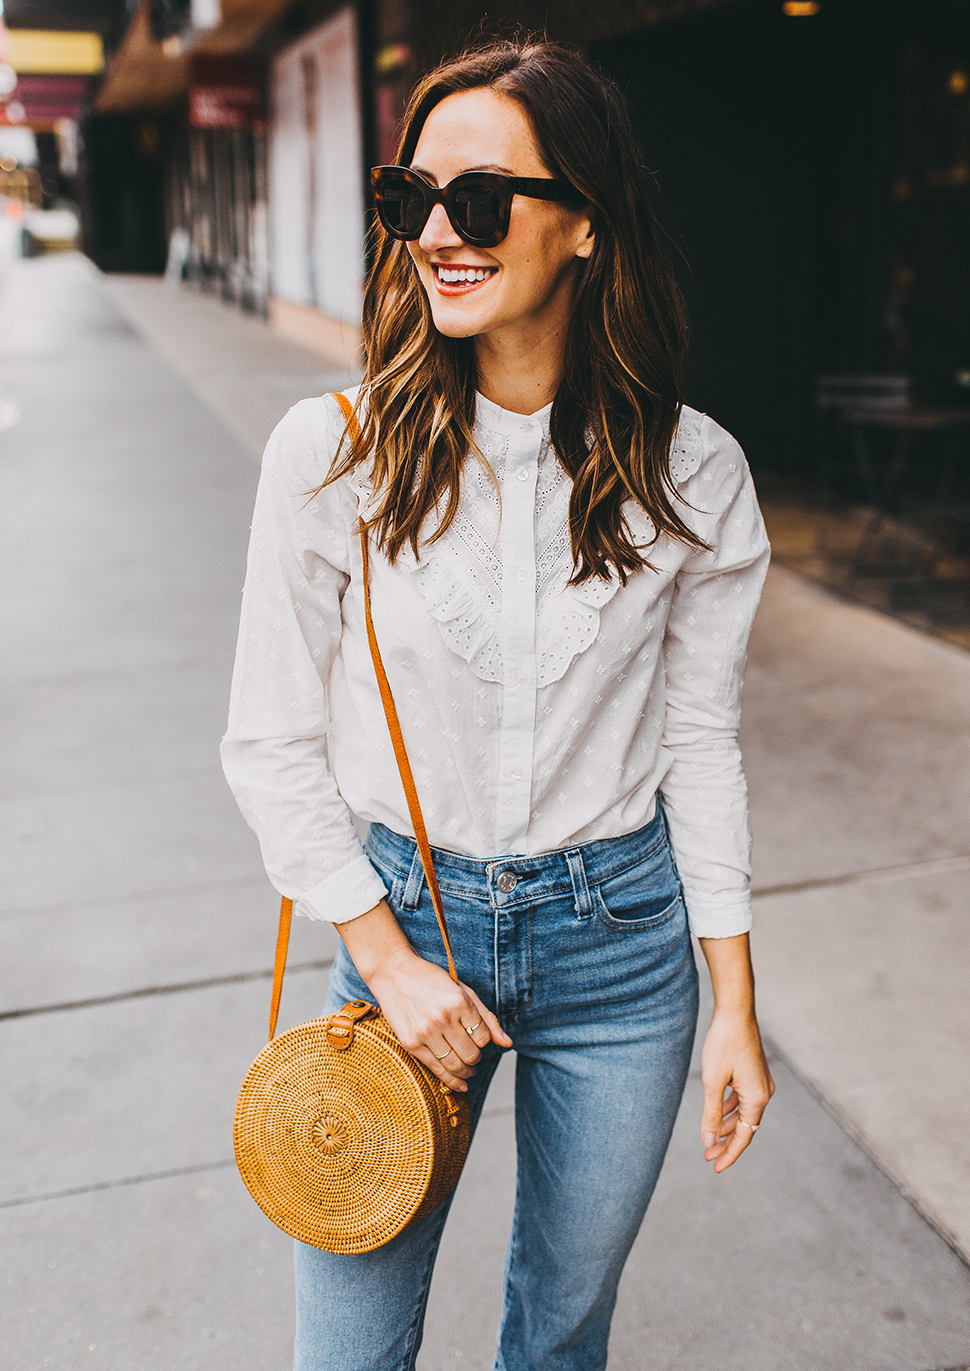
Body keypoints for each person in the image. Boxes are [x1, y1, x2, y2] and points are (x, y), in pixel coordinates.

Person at [222, 37, 774, 1371]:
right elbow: (272, 739)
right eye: (411, 198)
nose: (438, 235)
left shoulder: (694, 475)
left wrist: (736, 1000)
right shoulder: (335, 457)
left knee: (561, 1332)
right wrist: (391, 959)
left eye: (478, 202)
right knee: (348, 1351)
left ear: (584, 222)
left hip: (620, 950)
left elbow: (697, 740)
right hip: (407, 923)